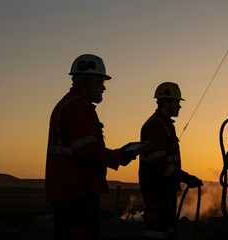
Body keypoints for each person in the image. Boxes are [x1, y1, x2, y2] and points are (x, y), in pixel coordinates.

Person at [45, 54, 137, 240]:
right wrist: (120, 156)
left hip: (71, 192)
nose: (103, 87)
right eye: (100, 81)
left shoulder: (71, 103)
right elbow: (87, 151)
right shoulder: (78, 106)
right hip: (77, 194)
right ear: (88, 81)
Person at [139, 82, 203, 240]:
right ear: (166, 103)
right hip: (157, 189)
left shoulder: (166, 124)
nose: (179, 106)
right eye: (176, 102)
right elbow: (160, 163)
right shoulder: (155, 126)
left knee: (168, 231)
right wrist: (185, 177)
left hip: (166, 189)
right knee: (157, 232)